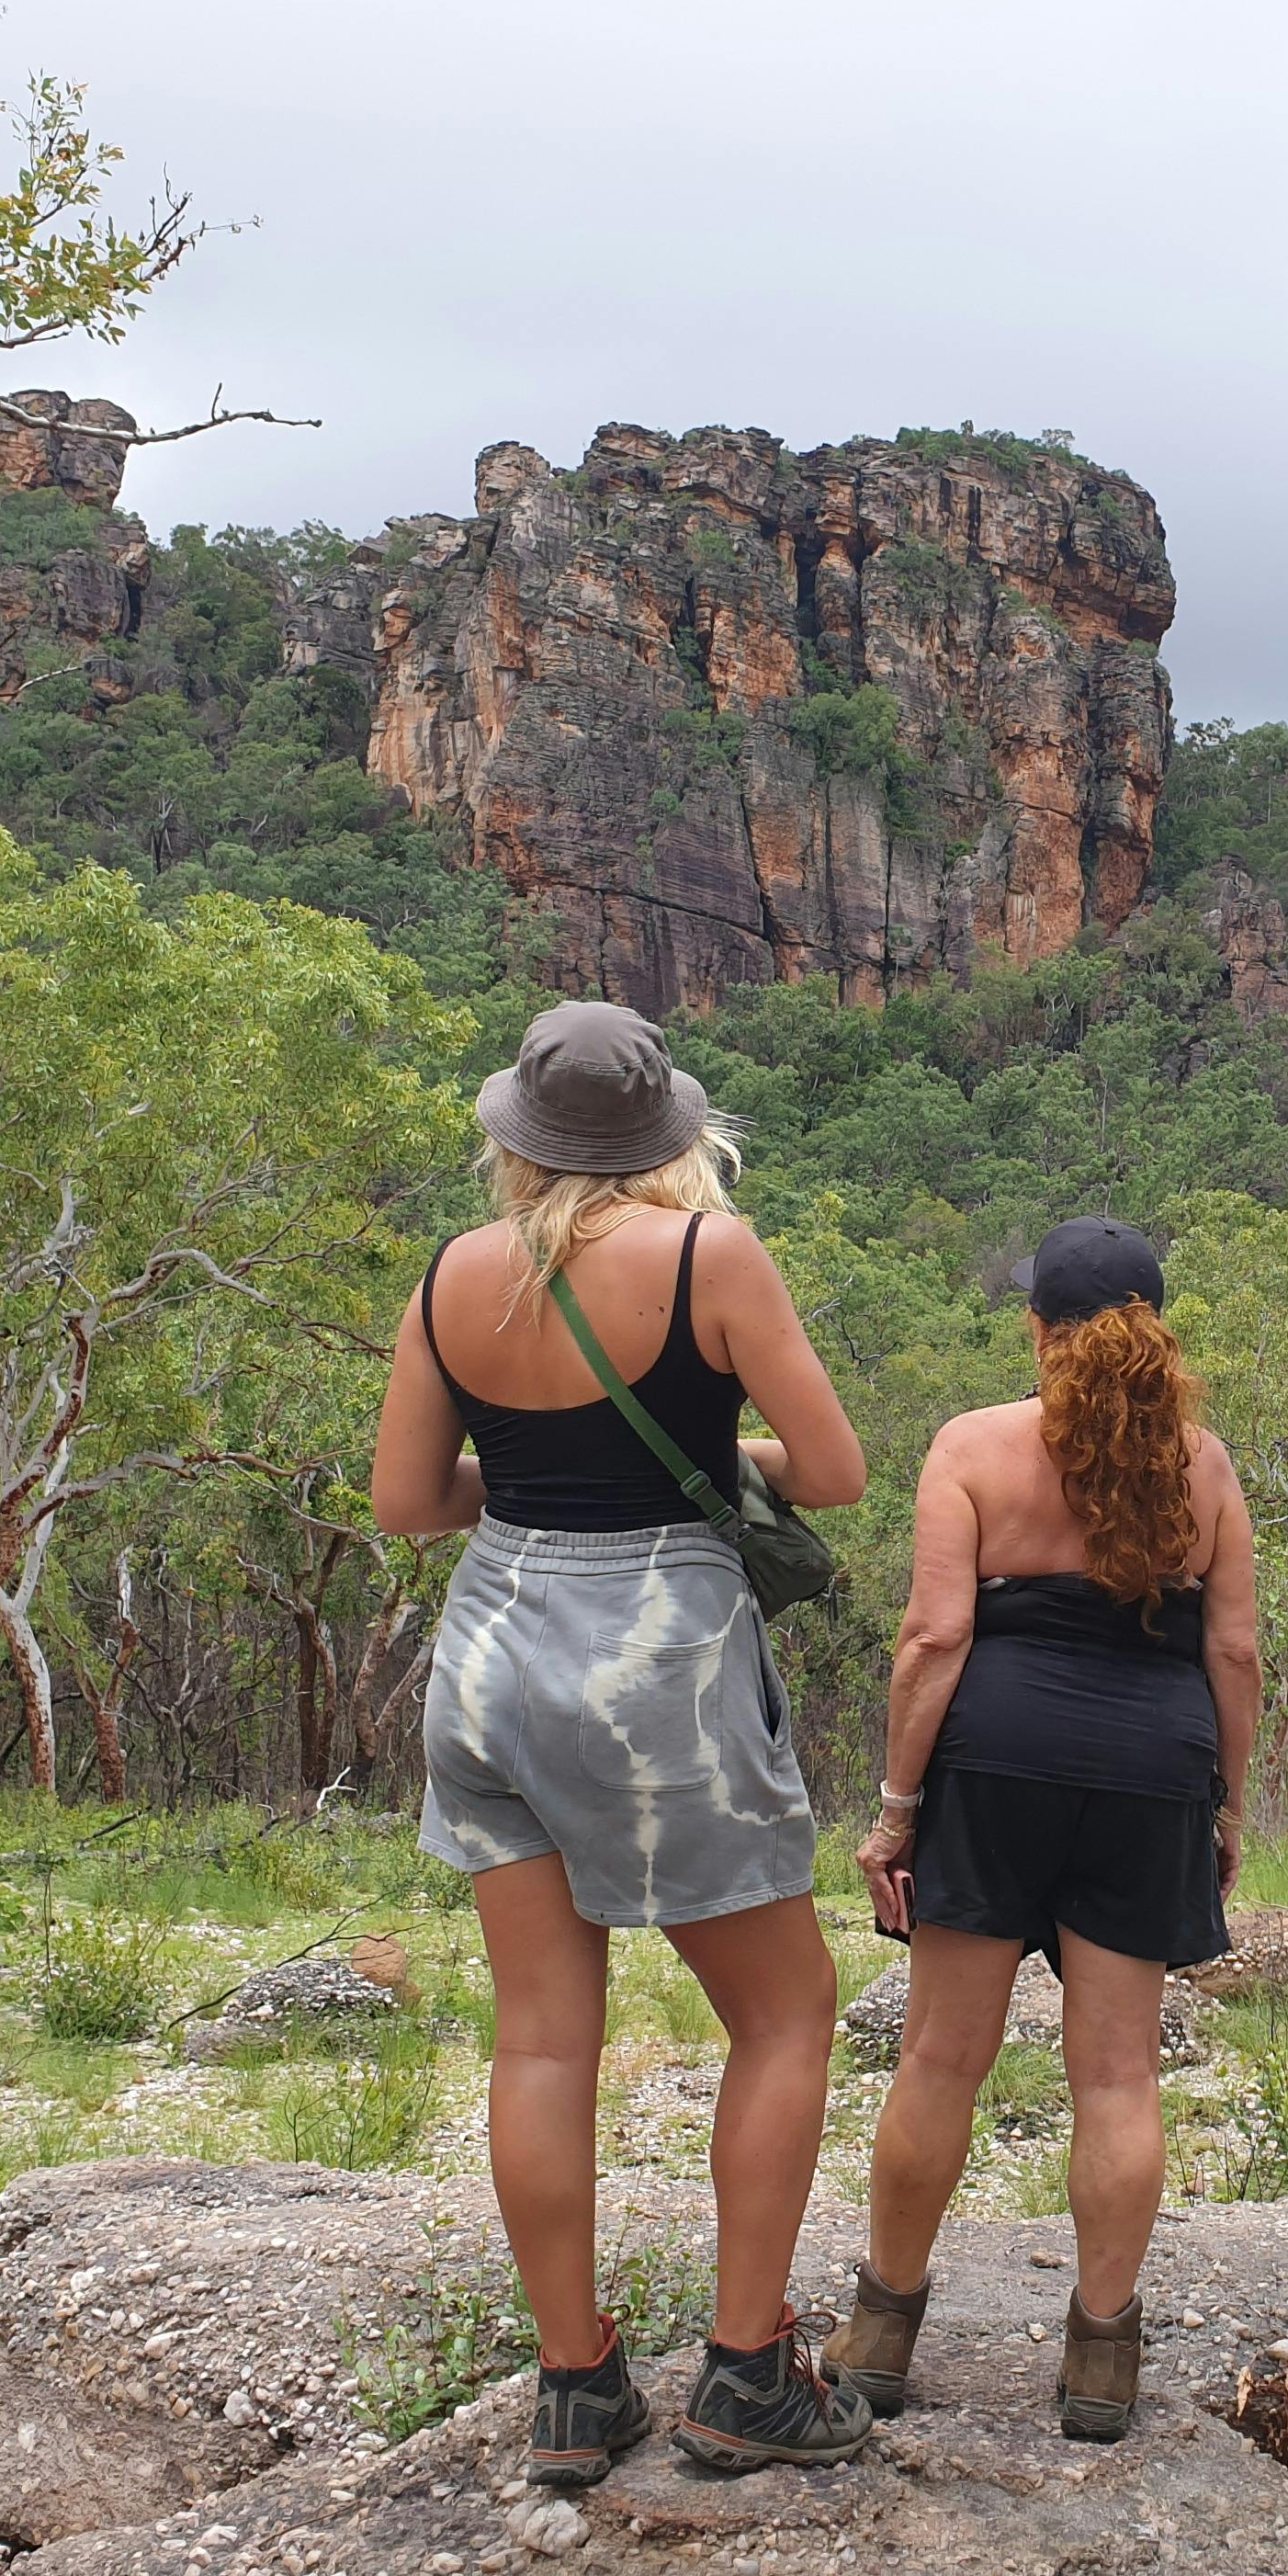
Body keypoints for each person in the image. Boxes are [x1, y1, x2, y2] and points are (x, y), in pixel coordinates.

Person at [371, 1000, 873, 2482]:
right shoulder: (713, 1259)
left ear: (518, 1141)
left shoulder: (453, 1277)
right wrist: (711, 1460)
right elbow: (834, 1475)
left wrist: (532, 1483)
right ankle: (747, 2373)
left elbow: (410, 1500)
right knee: (782, 2014)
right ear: (668, 1137)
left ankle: (578, 2385)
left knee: (539, 2036)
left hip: (489, 1660)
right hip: (659, 1669)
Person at [835, 1217, 1261, 2441]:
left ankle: (881, 2336)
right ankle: (1099, 2365)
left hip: (994, 1768)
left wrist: (898, 1810)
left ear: (1038, 1328)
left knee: (938, 2061)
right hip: (1151, 1773)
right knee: (1119, 2076)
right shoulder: (1207, 1470)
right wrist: (1223, 1803)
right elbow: (1231, 1650)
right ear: (1156, 1333)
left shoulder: (972, 1448)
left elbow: (933, 1640)